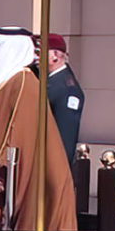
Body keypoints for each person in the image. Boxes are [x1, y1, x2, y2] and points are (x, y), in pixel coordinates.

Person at [0, 27, 76, 231]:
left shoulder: (24, 82)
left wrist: (1, 171)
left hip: (5, 180)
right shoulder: (8, 81)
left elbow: (19, 134)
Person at [43, 33, 85, 165]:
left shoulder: (67, 89)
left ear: (55, 56)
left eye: (40, 52)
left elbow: (65, 138)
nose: (35, 58)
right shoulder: (49, 81)